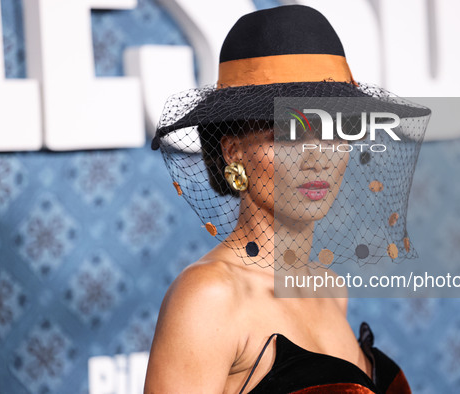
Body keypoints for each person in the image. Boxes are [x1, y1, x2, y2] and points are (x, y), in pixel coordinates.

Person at [145, 5, 429, 393]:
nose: (317, 157)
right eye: (288, 134)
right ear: (233, 151)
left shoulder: (330, 289)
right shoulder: (209, 298)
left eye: (332, 131)